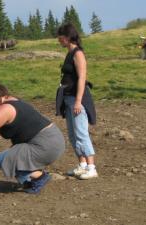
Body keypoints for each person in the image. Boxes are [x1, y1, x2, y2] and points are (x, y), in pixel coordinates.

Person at [0, 80, 66, 194]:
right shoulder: (12, 101)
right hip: (52, 140)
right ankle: (32, 178)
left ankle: (39, 177)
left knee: (4, 159)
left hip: (47, 144)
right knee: (12, 156)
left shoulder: (5, 110)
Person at [56, 23, 98, 179]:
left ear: (67, 37)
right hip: (68, 98)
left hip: (76, 98)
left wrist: (78, 101)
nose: (58, 41)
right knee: (73, 134)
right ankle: (82, 165)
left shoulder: (78, 54)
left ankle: (92, 167)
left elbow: (82, 78)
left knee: (81, 133)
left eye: (60, 38)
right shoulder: (69, 52)